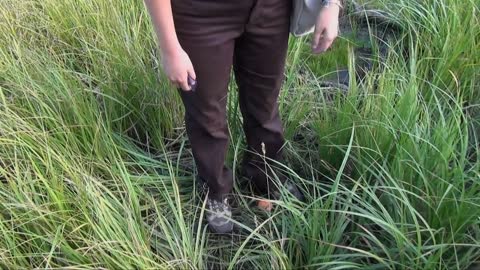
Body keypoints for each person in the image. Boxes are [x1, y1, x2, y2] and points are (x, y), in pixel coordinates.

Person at [144, 0, 342, 233]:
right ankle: (215, 190)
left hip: (271, 10)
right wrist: (169, 48)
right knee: (206, 114)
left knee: (265, 105)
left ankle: (267, 175)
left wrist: (331, 4)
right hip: (199, 14)